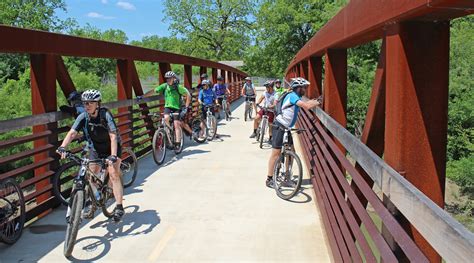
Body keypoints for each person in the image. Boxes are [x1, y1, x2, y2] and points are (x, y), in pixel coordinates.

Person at [56, 89, 125, 222]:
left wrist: (113, 156)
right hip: (96, 148)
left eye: (90, 103)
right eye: (85, 103)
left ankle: (119, 206)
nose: (87, 106)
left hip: (112, 147)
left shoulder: (105, 115)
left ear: (97, 104)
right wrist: (63, 147)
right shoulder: (83, 117)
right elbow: (72, 133)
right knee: (91, 175)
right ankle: (93, 204)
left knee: (113, 173)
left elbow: (113, 135)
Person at [266, 77, 321, 187]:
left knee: (291, 151)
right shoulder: (292, 96)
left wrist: (316, 100)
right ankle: (269, 179)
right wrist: (320, 101)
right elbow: (307, 106)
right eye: (304, 88)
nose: (305, 90)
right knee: (275, 153)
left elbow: (306, 102)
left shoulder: (294, 96)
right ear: (298, 88)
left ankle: (287, 177)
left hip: (286, 127)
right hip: (279, 126)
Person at [142, 71, 191, 149]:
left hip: (176, 108)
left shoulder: (178, 87)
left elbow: (188, 95)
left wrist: (186, 107)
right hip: (167, 107)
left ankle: (178, 142)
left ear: (174, 78)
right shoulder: (164, 86)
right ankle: (168, 139)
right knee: (166, 119)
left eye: (169, 78)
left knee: (176, 124)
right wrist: (142, 96)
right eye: (167, 78)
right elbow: (153, 91)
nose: (168, 80)